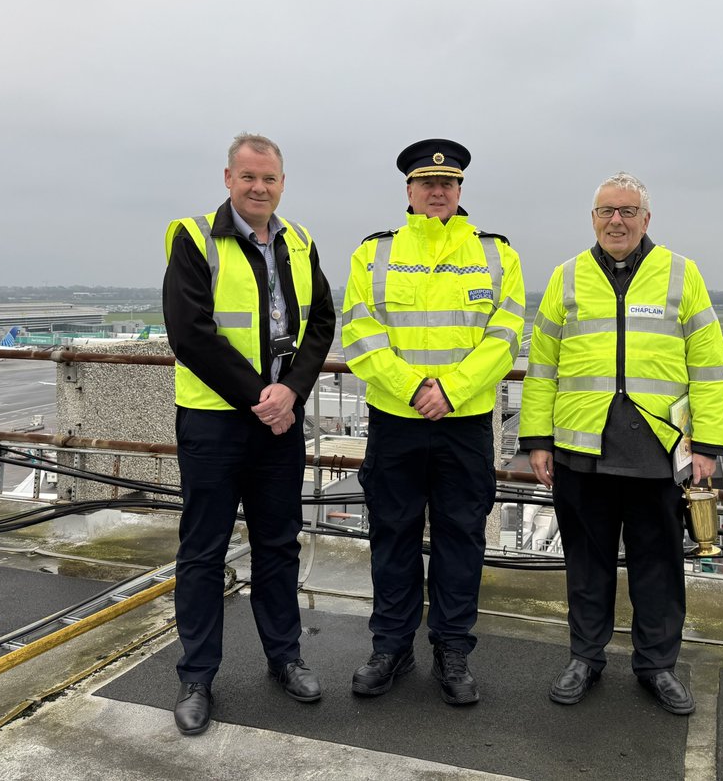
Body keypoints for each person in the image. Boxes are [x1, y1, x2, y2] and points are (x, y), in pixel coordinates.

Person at [518, 172, 723, 715]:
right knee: (585, 564)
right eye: (606, 211)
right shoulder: (567, 278)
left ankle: (656, 665)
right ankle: (585, 658)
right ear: (592, 218)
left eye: (628, 211)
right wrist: (538, 439)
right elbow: (541, 368)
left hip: (657, 453)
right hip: (580, 449)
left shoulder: (682, 274)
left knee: (657, 566)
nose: (617, 220)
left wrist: (706, 444)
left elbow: (708, 365)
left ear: (646, 219)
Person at [342, 138, 525, 706]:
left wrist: (449, 389)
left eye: (448, 183)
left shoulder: (497, 254)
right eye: (427, 182)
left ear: (461, 189)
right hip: (396, 420)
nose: (438, 190)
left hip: (464, 423)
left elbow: (506, 335)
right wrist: (414, 388)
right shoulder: (373, 253)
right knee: (391, 536)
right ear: (409, 190)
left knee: (461, 539)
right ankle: (391, 647)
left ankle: (452, 650)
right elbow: (358, 331)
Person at [162, 133, 335, 735]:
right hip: (215, 421)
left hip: (279, 421)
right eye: (248, 178)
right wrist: (262, 398)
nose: (259, 188)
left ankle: (284, 657)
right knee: (204, 552)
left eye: (270, 179)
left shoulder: (300, 240)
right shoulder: (193, 237)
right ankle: (196, 676)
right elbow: (190, 332)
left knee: (278, 545)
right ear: (228, 179)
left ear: (282, 182)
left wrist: (292, 393)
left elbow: (321, 325)